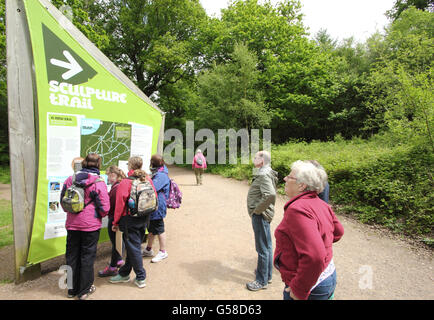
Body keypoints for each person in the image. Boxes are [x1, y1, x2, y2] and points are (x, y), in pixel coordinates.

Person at [274, 160, 344, 300]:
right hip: (327, 276)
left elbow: (315, 256)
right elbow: (338, 232)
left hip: (311, 286)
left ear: (302, 185)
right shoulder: (320, 204)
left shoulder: (298, 209)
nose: (285, 179)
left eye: (289, 176)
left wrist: (299, 290)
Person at [60, 153, 110, 300]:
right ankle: (83, 291)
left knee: (71, 256)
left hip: (72, 225)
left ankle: (71, 290)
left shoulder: (71, 179)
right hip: (90, 226)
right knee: (87, 257)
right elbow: (105, 208)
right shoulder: (98, 182)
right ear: (98, 165)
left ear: (84, 163)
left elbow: (64, 202)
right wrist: (98, 214)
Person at [109, 156, 149, 288]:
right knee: (134, 246)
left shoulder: (126, 182)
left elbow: (120, 205)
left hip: (129, 219)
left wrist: (115, 222)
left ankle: (141, 276)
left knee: (134, 247)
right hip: (144, 217)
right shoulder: (147, 179)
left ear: (130, 166)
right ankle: (125, 273)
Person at [246, 151, 278, 291]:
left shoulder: (264, 174)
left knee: (262, 248)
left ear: (262, 160)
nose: (253, 159)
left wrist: (257, 210)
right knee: (267, 245)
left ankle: (261, 280)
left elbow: (270, 194)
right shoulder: (265, 171)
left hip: (261, 215)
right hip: (263, 214)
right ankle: (267, 275)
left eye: (256, 157)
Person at [98, 165, 126, 277]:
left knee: (115, 243)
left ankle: (113, 267)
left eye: (108, 176)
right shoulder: (122, 184)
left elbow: (112, 205)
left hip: (115, 218)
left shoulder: (115, 188)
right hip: (120, 218)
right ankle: (119, 260)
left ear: (113, 174)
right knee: (119, 241)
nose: (108, 179)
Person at [142, 154, 170, 263]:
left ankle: (163, 251)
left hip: (158, 205)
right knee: (152, 228)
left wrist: (146, 179)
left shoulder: (161, 175)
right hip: (154, 204)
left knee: (159, 228)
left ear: (153, 163)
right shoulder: (158, 172)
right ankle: (148, 249)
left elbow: (153, 187)